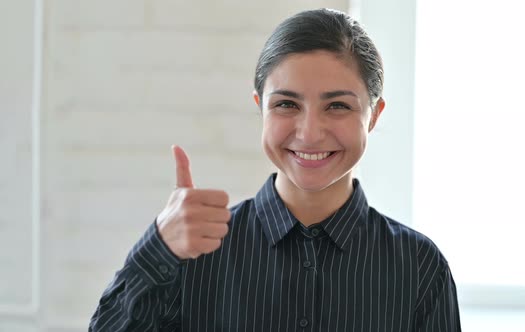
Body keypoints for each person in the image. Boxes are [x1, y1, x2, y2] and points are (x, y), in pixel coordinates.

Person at [89, 8, 461, 332]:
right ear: (260, 107)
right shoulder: (193, 253)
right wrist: (157, 249)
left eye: (337, 106)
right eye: (286, 104)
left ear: (374, 115)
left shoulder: (419, 266)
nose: (310, 133)